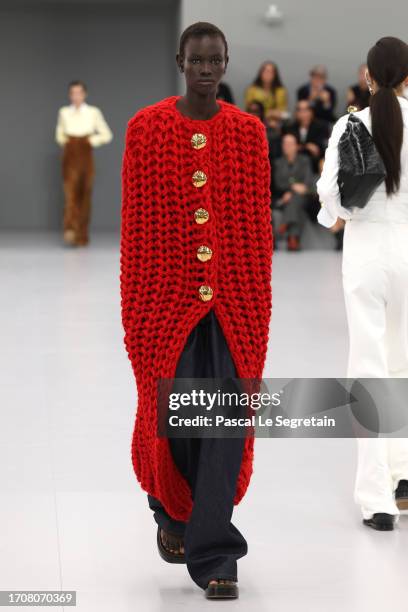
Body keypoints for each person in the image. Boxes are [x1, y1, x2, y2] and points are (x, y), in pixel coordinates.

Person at [119, 21, 273, 598]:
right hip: (165, 299)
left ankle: (216, 555)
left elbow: (256, 227)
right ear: (181, 61)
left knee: (227, 417)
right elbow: (138, 227)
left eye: (216, 60)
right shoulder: (147, 130)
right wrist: (140, 306)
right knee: (176, 414)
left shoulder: (249, 135)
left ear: (227, 63)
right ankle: (171, 513)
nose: (206, 69)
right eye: (197, 60)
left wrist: (253, 297)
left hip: (235, 299)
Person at [316, 36, 408, 531]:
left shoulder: (351, 123)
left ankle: (378, 500)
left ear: (367, 76)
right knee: (404, 361)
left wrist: (333, 213)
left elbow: (331, 193)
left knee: (369, 370)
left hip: (368, 252)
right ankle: (405, 475)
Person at [55, 80, 113, 246]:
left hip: (86, 154)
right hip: (70, 153)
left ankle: (82, 234)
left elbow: (106, 134)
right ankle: (70, 229)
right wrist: (67, 142)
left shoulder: (93, 112)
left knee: (85, 195)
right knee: (70, 193)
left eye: (79, 93)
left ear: (84, 94)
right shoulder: (64, 112)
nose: (76, 96)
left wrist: (90, 141)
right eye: (73, 93)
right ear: (69, 95)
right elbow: (59, 133)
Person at [272, 133, 316, 250]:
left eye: (290, 143)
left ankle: (285, 223)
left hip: (304, 197)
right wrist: (293, 188)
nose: (287, 146)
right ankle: (293, 239)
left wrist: (292, 191)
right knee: (296, 203)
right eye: (285, 143)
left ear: (296, 146)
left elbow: (307, 182)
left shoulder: (304, 160)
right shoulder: (278, 162)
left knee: (296, 198)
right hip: (284, 198)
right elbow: (278, 183)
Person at [283, 99, 330, 173]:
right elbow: (288, 147)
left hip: (314, 161)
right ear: (296, 113)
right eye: (300, 110)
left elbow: (318, 148)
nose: (303, 114)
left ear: (311, 112)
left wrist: (298, 147)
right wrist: (307, 146)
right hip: (294, 160)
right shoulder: (289, 128)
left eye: (306, 110)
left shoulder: (321, 127)